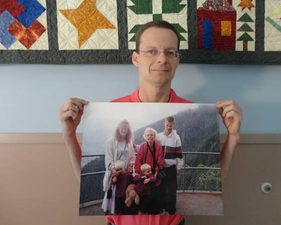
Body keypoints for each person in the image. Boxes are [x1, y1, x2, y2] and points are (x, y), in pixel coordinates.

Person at [59, 20, 243, 225]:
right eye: (152, 51)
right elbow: (85, 179)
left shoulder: (192, 107)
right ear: (136, 58)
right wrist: (69, 135)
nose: (162, 58)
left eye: (170, 52)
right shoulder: (113, 108)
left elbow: (217, 179)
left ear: (177, 60)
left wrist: (233, 137)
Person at [102, 120, 136, 215]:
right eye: (122, 128)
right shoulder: (110, 141)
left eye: (126, 129)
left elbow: (132, 157)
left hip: (124, 174)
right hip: (115, 173)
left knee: (120, 195)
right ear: (118, 129)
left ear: (128, 130)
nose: (124, 131)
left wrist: (131, 166)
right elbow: (108, 158)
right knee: (111, 194)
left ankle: (118, 213)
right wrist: (113, 170)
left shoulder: (128, 142)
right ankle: (106, 216)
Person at [134, 128, 164, 214]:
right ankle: (145, 210)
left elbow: (160, 160)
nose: (149, 137)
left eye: (151, 135)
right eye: (147, 135)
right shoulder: (143, 146)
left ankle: (154, 212)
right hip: (144, 172)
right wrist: (137, 172)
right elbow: (138, 160)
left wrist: (156, 173)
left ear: (154, 136)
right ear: (145, 136)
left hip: (154, 172)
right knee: (144, 192)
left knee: (155, 192)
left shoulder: (158, 146)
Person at [156, 116, 182, 215]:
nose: (168, 127)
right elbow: (151, 146)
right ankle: (162, 207)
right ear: (164, 124)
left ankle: (171, 210)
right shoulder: (159, 136)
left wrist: (178, 167)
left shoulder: (176, 137)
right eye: (167, 125)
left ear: (173, 125)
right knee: (161, 188)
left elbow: (179, 153)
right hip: (160, 167)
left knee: (171, 190)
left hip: (171, 167)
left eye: (170, 126)